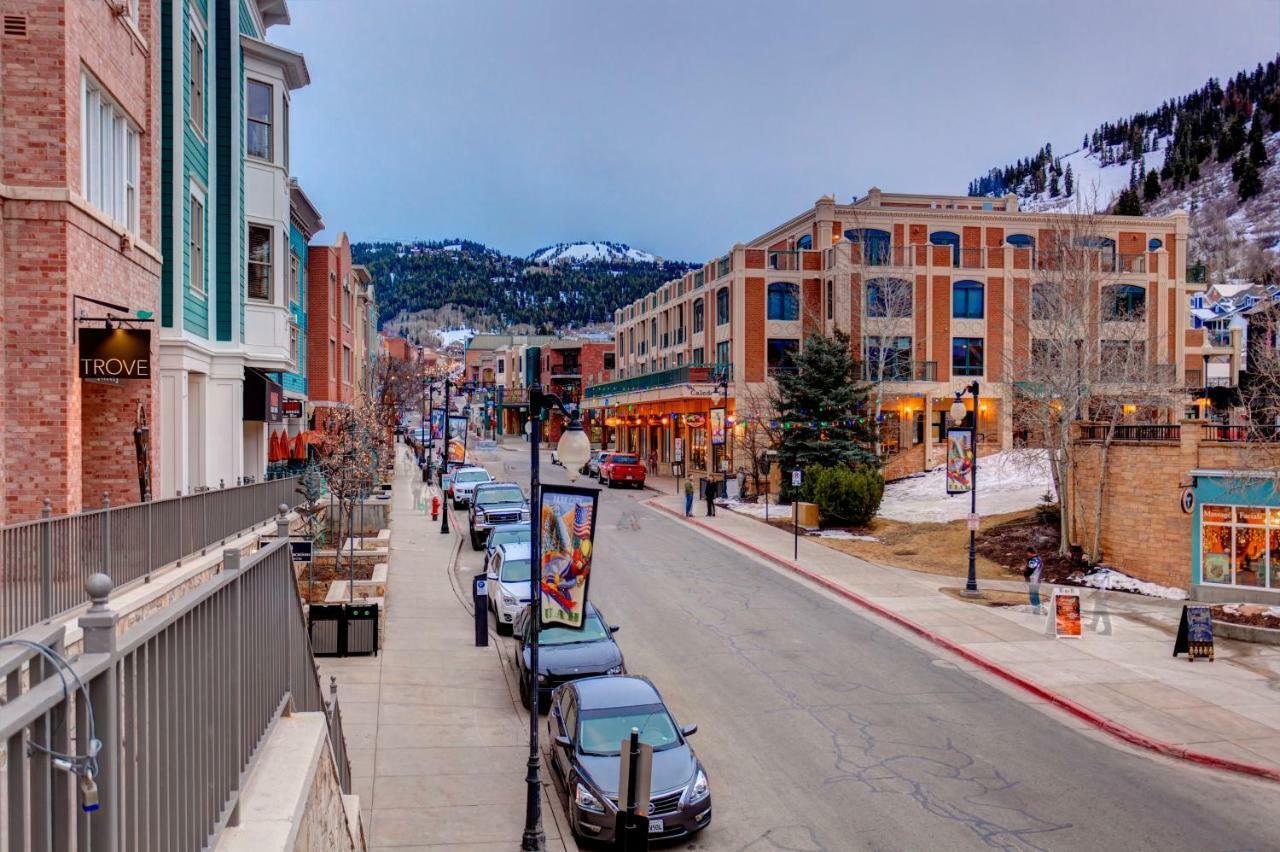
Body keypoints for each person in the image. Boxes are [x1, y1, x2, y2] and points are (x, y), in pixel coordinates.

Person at [1024, 547, 1044, 613]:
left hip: (1033, 580)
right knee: (1035, 595)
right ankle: (1037, 609)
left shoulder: (1034, 560)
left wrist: (1024, 571)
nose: (1027, 554)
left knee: (1033, 596)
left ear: (1030, 552)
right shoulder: (1039, 559)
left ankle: (1036, 610)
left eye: (1027, 553)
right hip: (1037, 580)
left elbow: (1030, 570)